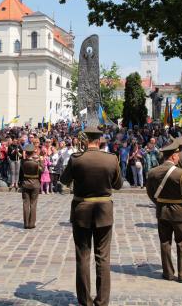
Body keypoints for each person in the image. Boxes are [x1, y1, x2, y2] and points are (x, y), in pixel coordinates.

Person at [60, 127, 122, 306]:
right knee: (103, 257)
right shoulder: (111, 159)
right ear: (100, 139)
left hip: (82, 210)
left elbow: (64, 181)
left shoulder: (76, 159)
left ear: (85, 139)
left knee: (83, 257)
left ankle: (85, 301)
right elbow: (118, 185)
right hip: (103, 210)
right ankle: (102, 301)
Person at [146, 138, 182, 282]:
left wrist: (160, 202)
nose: (179, 157)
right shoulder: (180, 174)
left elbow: (150, 193)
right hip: (179, 211)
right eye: (177, 154)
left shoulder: (153, 172)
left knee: (165, 242)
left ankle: (168, 273)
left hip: (162, 211)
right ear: (173, 156)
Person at [19, 144, 42, 229]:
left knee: (26, 204)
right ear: (33, 152)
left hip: (25, 183)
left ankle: (26, 223)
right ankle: (31, 223)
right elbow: (42, 170)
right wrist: (40, 161)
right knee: (33, 204)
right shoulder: (36, 163)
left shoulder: (23, 162)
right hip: (35, 184)